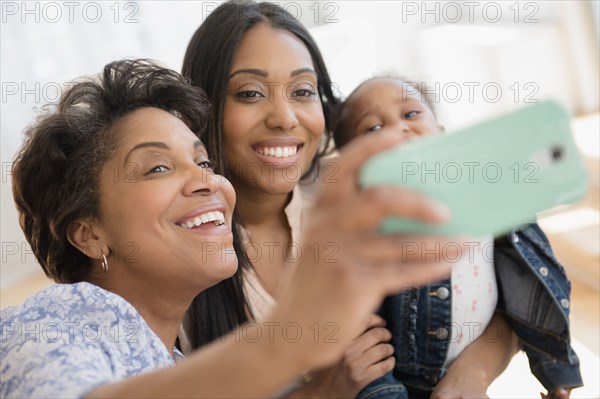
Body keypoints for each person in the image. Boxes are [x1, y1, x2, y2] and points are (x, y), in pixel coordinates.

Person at [0, 58, 463, 398]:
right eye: (158, 167)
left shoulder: (174, 363)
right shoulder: (54, 319)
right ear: (88, 233)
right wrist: (288, 338)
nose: (208, 181)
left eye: (203, 160)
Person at [180, 1, 541, 397]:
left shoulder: (353, 199)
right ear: (203, 107)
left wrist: (473, 374)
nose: (284, 117)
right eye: (250, 93)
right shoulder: (184, 256)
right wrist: (322, 392)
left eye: (303, 91)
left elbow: (496, 293)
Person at [333, 76, 583, 399]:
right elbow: (363, 341)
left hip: (467, 383)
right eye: (373, 129)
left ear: (440, 133)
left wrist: (554, 371)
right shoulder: (368, 238)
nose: (398, 130)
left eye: (410, 114)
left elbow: (528, 278)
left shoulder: (487, 200)